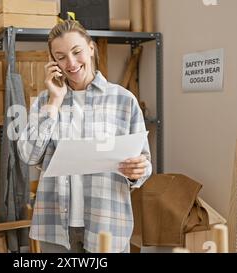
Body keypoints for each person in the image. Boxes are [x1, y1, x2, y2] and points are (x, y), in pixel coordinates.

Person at [17, 20, 152, 253]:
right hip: (56, 225)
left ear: (91, 48)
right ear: (53, 62)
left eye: (77, 52)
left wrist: (137, 171)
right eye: (60, 56)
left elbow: (145, 163)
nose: (70, 63)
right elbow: (28, 155)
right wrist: (54, 102)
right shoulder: (45, 101)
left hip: (107, 222)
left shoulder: (123, 100)